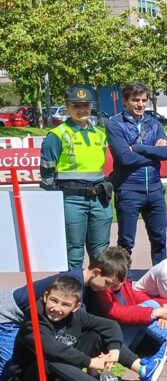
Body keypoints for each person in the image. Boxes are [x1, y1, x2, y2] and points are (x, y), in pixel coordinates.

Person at [10, 276, 166, 381]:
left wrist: (114, 350)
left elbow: (109, 326)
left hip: (64, 372)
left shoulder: (77, 315)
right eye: (53, 300)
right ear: (45, 297)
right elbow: (51, 348)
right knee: (49, 357)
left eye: (65, 305)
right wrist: (90, 362)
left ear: (76, 307)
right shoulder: (34, 318)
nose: (57, 308)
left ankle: (142, 369)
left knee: (96, 335)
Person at [86, 246, 167, 363]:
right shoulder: (103, 287)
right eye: (116, 279)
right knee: (145, 313)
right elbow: (116, 312)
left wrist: (164, 308)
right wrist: (154, 313)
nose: (118, 283)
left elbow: (140, 298)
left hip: (132, 335)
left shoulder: (122, 284)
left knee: (151, 304)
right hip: (116, 341)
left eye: (123, 278)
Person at [40, 85, 112, 271]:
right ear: (67, 106)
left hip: (99, 199)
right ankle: (72, 297)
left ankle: (97, 296)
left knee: (101, 252)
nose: (82, 110)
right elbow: (47, 176)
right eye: (76, 105)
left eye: (85, 105)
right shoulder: (57, 135)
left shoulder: (99, 134)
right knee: (73, 252)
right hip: (71, 200)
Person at [106, 81, 167, 265]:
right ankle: (122, 282)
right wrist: (153, 152)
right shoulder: (115, 124)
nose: (141, 104)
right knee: (126, 242)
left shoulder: (154, 124)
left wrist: (137, 148)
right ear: (125, 101)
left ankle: (160, 279)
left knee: (159, 240)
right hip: (129, 190)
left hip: (155, 190)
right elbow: (124, 158)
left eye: (144, 100)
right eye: (135, 100)